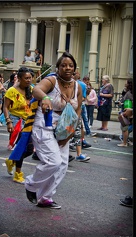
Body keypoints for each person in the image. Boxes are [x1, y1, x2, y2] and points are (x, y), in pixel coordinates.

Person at [25, 52, 82, 209]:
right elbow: (36, 89)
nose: (67, 68)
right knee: (53, 161)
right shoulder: (51, 80)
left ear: (75, 68)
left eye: (70, 65)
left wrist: (70, 133)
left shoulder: (77, 86)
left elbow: (78, 111)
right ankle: (30, 185)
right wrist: (45, 98)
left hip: (65, 128)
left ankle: (45, 197)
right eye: (63, 65)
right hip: (45, 124)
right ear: (57, 68)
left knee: (62, 164)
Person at [3, 67, 37, 184]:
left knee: (29, 150)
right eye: (26, 78)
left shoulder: (32, 90)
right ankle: (18, 174)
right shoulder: (11, 91)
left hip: (29, 121)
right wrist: (9, 121)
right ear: (20, 78)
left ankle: (11, 160)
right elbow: (5, 107)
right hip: (16, 120)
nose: (29, 80)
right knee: (22, 147)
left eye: (30, 78)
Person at [117, 80, 133, 147]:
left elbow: (127, 102)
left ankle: (124, 142)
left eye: (126, 83)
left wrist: (121, 103)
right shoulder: (128, 92)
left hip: (127, 111)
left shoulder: (129, 93)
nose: (124, 84)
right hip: (129, 111)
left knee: (124, 128)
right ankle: (126, 141)